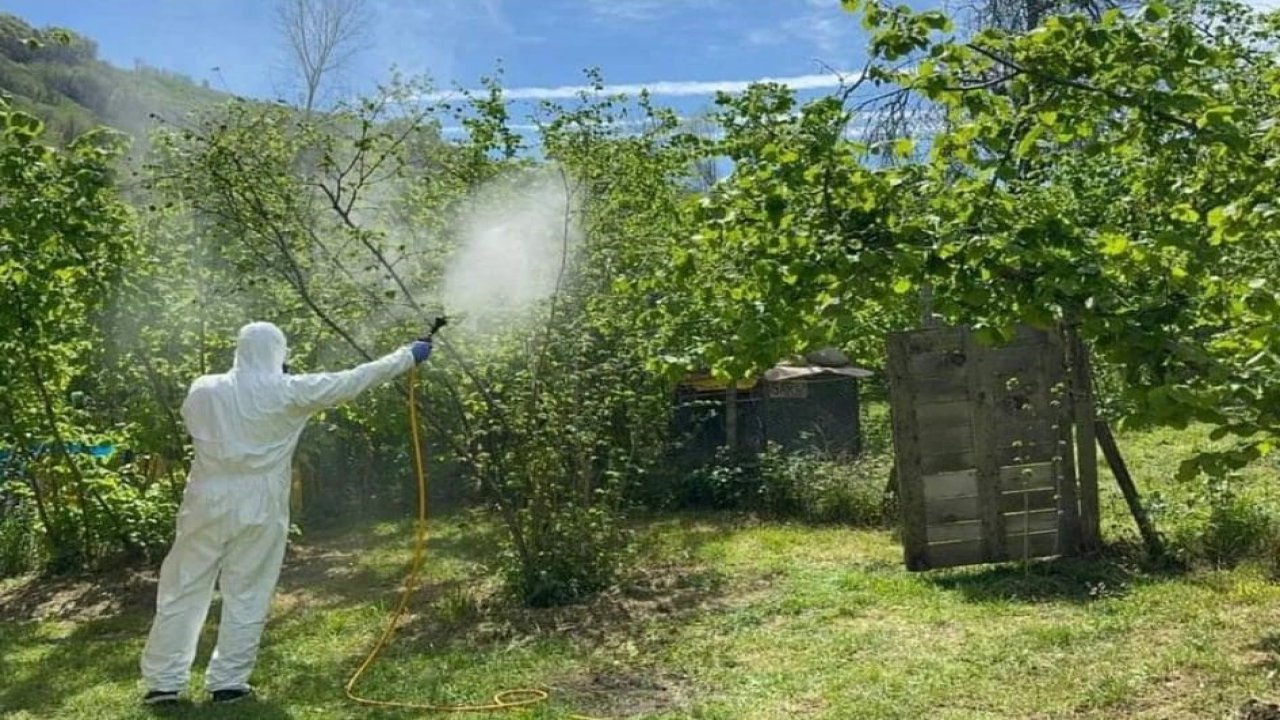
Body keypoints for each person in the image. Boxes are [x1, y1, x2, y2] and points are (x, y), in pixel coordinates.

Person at [140, 321, 432, 705]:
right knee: (248, 589)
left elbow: (200, 420)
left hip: (206, 497)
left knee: (184, 587)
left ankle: (164, 683)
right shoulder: (289, 392)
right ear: (278, 352)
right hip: (260, 501)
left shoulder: (204, 387)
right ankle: (228, 682)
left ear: (240, 349)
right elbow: (353, 380)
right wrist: (407, 356)